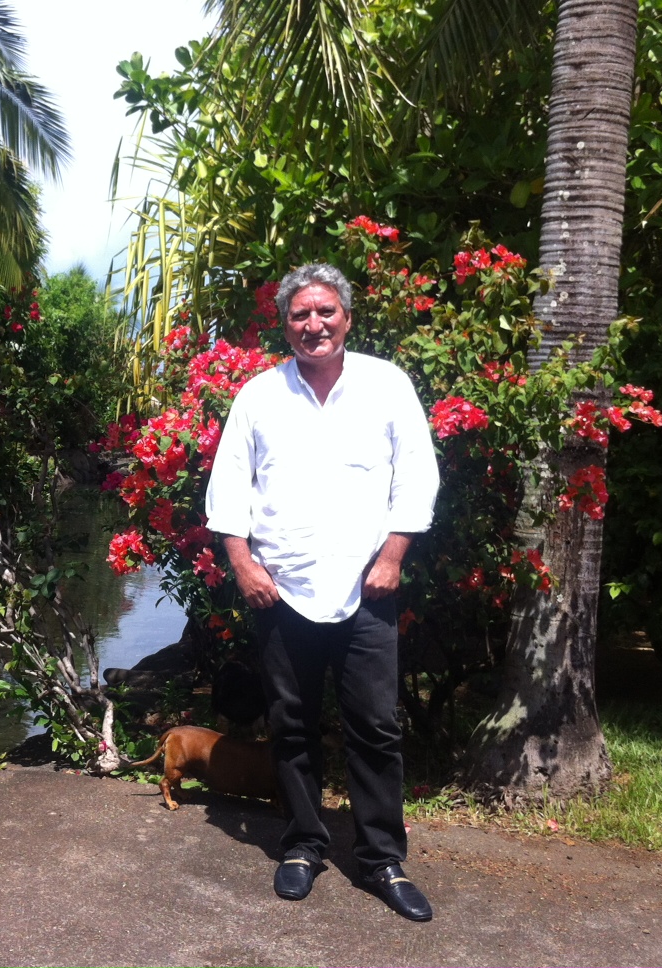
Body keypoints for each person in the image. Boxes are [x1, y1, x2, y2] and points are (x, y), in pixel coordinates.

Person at [204, 262, 440, 921]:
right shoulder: (258, 396)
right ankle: (303, 845)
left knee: (375, 728)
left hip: (368, 589)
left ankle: (380, 859)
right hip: (281, 594)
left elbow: (416, 479)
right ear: (285, 325)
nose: (314, 325)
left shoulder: (387, 387)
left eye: (325, 313)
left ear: (347, 318)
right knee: (293, 723)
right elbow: (228, 491)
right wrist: (244, 566)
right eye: (301, 316)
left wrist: (394, 555)